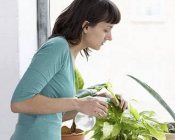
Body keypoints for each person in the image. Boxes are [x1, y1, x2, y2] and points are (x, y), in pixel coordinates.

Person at [10, 0, 127, 139]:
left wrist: (96, 102)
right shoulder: (57, 47)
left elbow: (56, 114)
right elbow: (19, 102)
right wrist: (78, 103)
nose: (109, 37)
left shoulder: (69, 55)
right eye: (106, 29)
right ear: (86, 26)